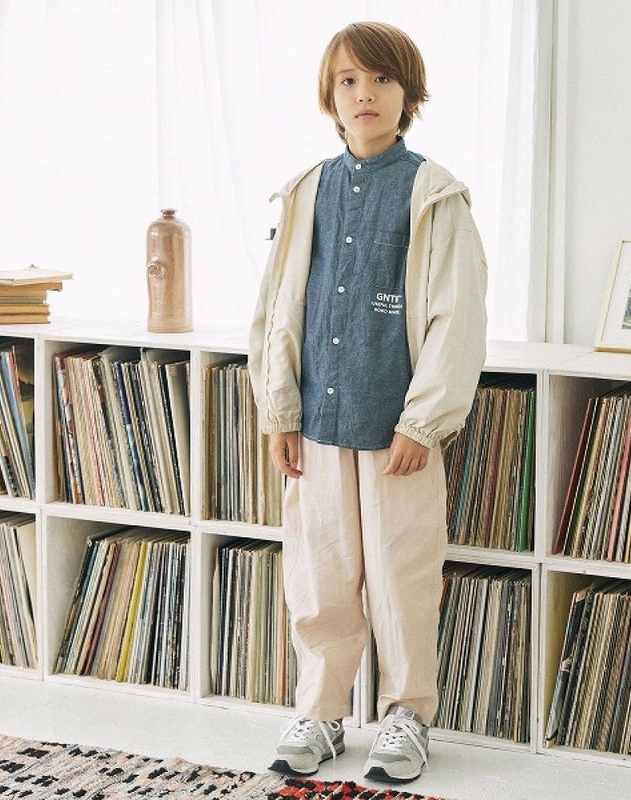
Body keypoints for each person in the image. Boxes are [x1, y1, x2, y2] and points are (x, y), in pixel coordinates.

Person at [248, 20, 487, 784]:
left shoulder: (435, 194)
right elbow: (280, 309)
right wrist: (280, 411)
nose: (365, 93)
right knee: (319, 578)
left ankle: (406, 715)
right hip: (318, 425)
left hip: (397, 432)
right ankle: (321, 713)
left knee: (401, 576)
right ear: (330, 94)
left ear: (407, 93)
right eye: (349, 80)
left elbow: (456, 316)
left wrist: (425, 420)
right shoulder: (306, 191)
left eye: (382, 79)